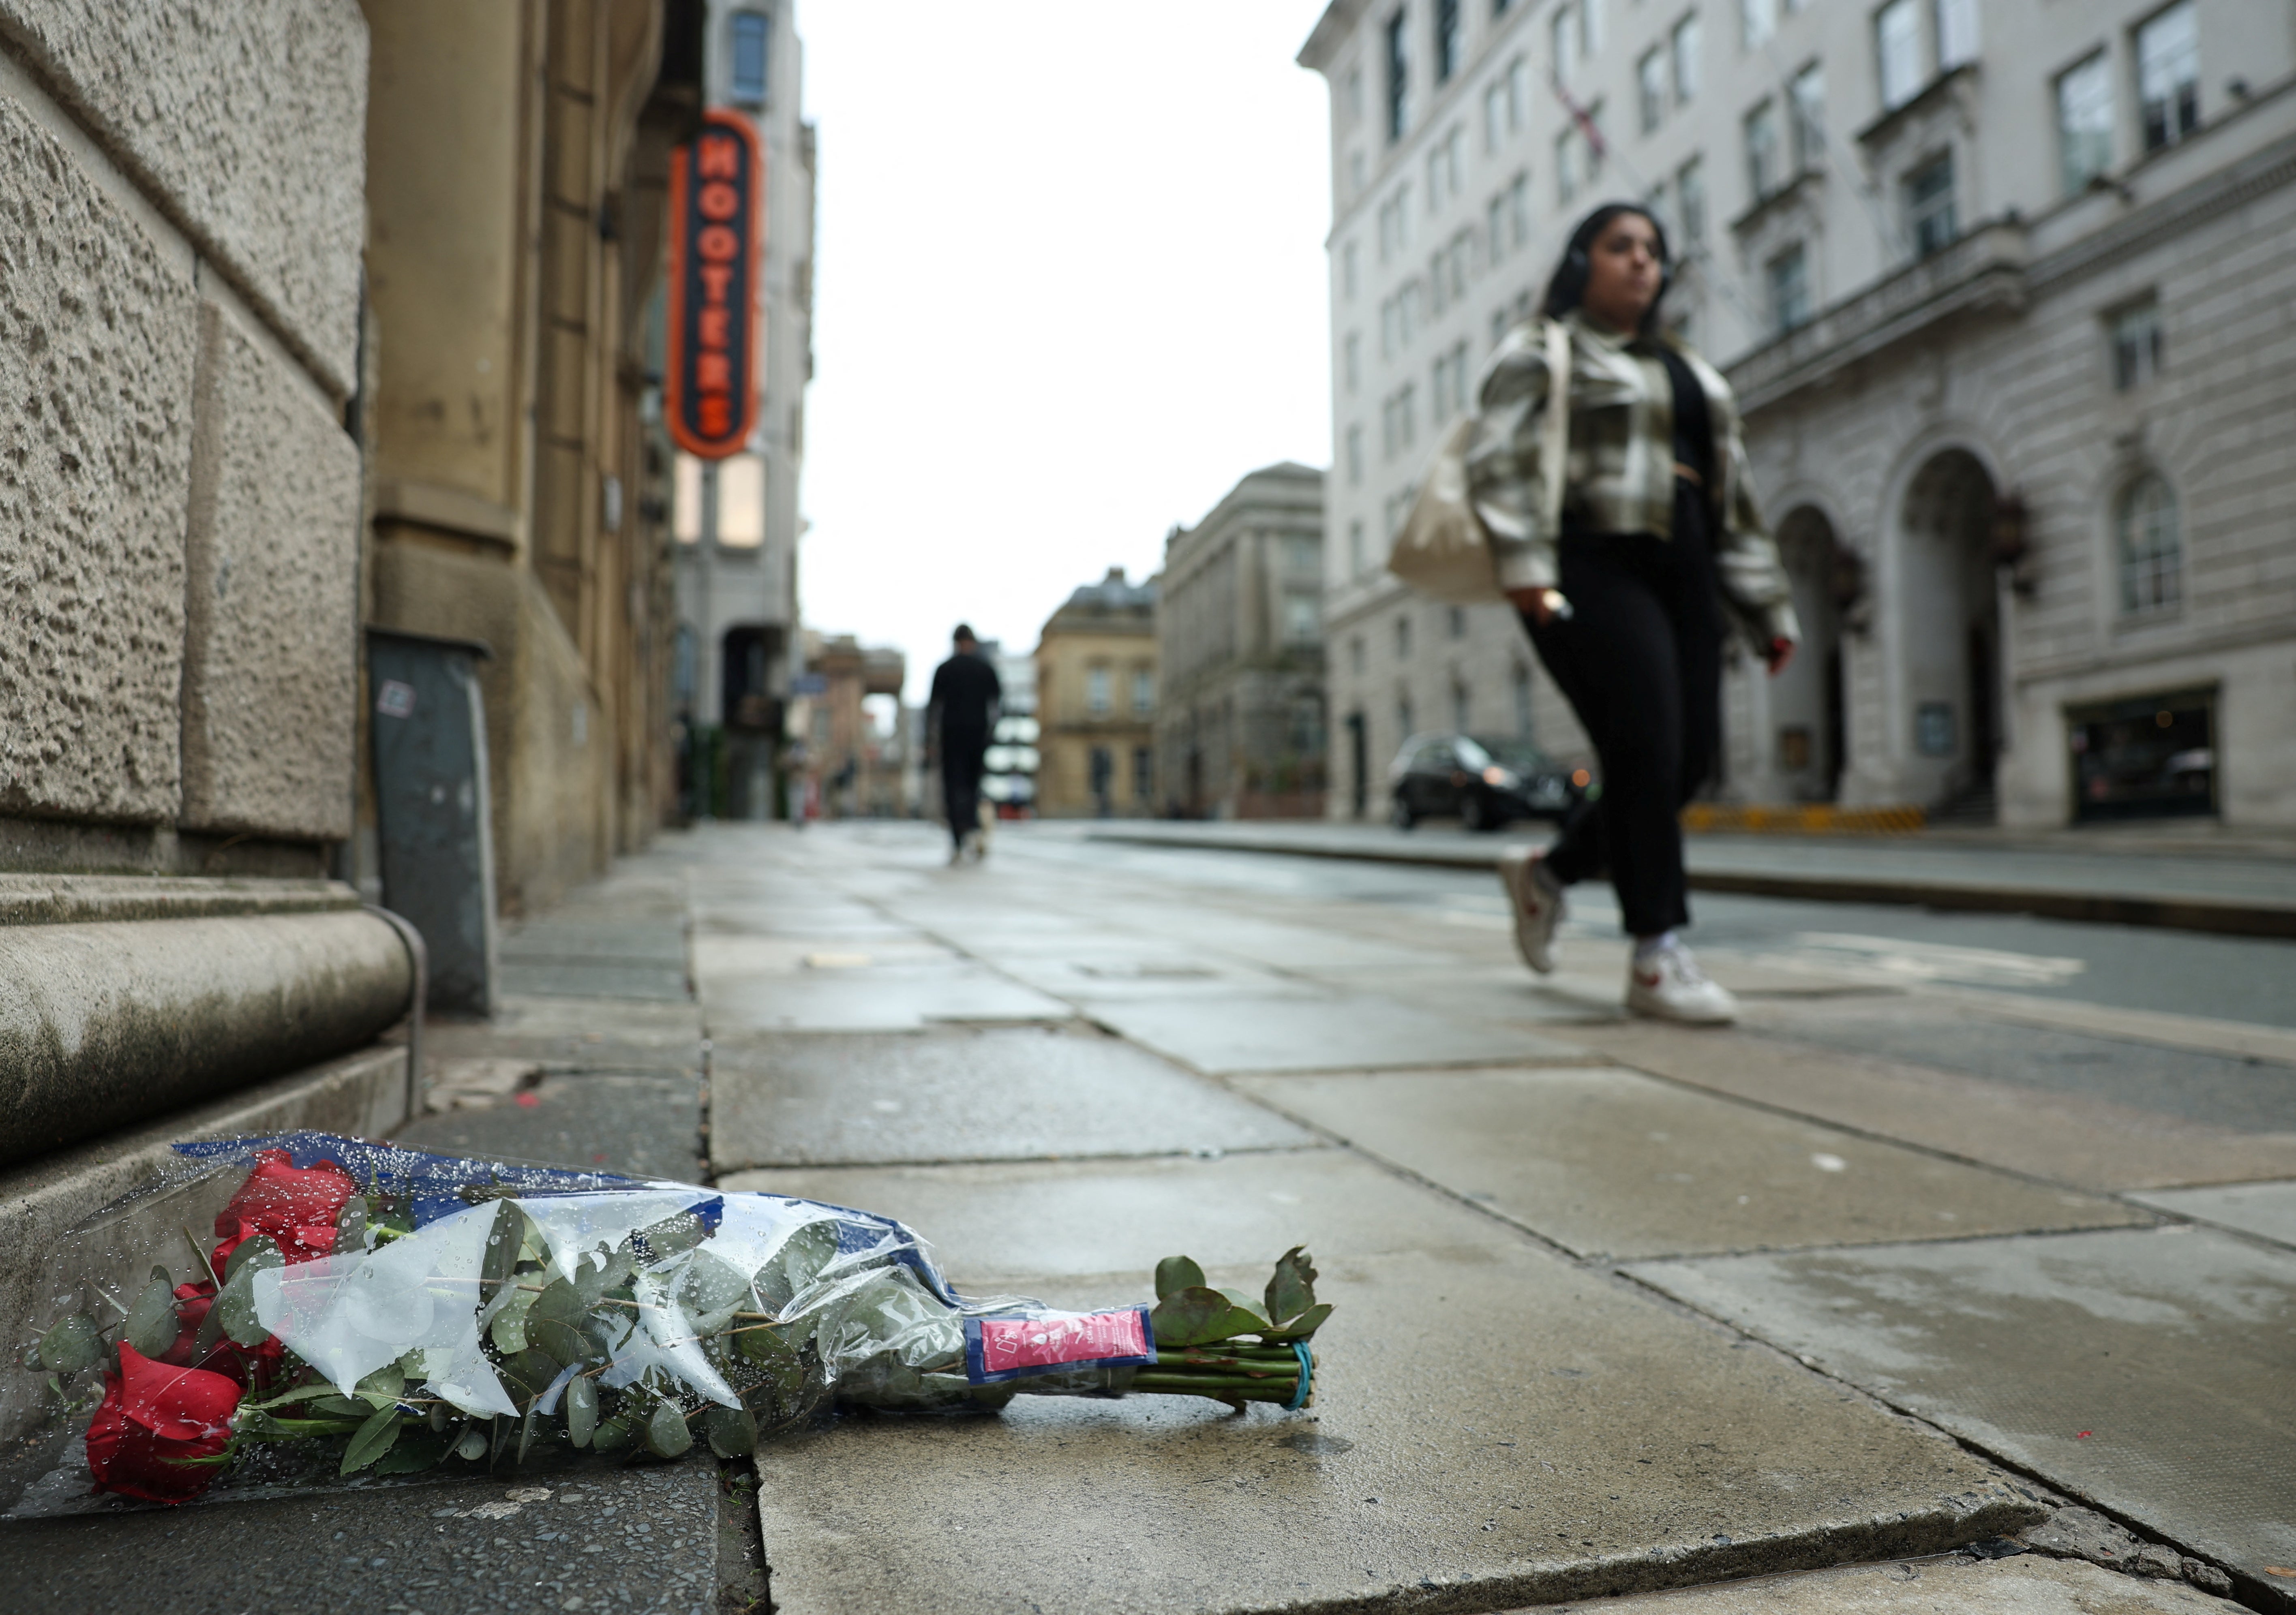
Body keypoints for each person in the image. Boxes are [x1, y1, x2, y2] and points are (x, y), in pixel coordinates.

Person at [1467, 203, 1799, 1025]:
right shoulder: (1546, 350)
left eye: (1653, 251)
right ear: (1584, 262)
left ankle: (1548, 875)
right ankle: (1657, 956)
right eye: (1621, 247)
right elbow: (1498, 460)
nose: (1642, 263)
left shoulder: (1691, 371)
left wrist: (1766, 607)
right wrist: (1523, 570)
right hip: (1591, 557)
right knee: (1646, 741)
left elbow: (1738, 501)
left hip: (1685, 562)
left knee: (1686, 763)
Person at [926, 623, 1001, 864]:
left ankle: (958, 838)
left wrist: (930, 741)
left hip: (952, 736)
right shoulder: (985, 668)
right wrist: (992, 734)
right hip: (977, 736)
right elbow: (997, 705)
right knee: (974, 786)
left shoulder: (945, 669)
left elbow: (933, 708)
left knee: (953, 787)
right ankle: (974, 830)